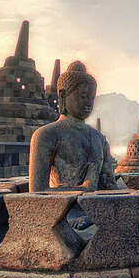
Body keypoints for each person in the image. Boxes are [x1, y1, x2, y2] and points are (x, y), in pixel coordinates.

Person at [29, 61, 119, 192]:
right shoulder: (46, 135)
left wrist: (107, 184)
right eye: (82, 96)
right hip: (61, 211)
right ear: (63, 96)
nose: (88, 103)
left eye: (92, 97)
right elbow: (37, 192)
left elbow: (110, 187)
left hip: (96, 210)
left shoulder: (99, 138)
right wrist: (83, 189)